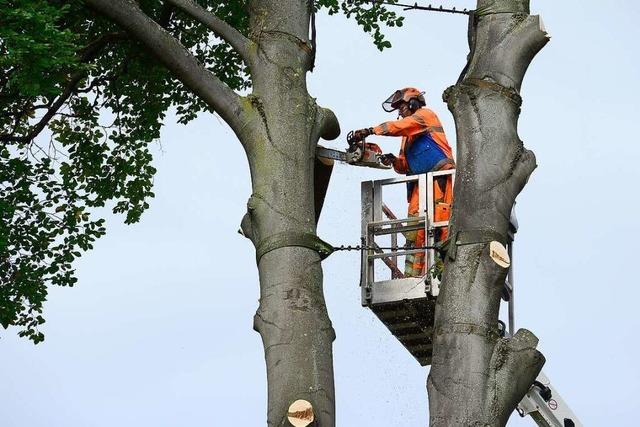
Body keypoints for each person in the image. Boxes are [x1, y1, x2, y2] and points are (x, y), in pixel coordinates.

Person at [350, 87, 455, 277]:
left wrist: (370, 131)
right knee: (415, 231)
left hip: (438, 180)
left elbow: (398, 127)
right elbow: (405, 165)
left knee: (439, 224)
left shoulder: (425, 116)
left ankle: (440, 272)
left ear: (413, 103)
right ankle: (414, 276)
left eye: (402, 107)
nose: (400, 112)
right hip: (419, 187)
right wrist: (393, 161)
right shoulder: (407, 139)